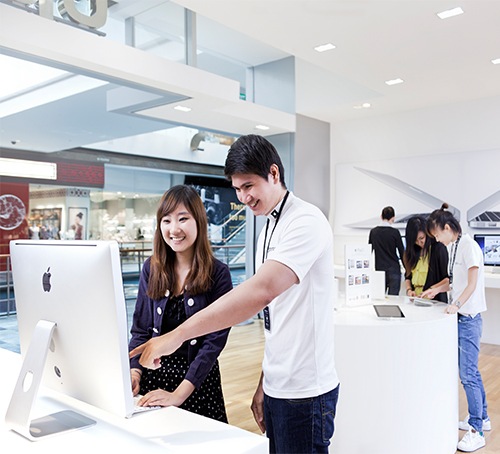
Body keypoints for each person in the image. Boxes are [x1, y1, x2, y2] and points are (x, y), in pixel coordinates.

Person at [130, 134, 340, 454]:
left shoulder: (306, 221)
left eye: (248, 186)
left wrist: (177, 335)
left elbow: (262, 292)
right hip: (278, 385)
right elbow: (277, 319)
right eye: (237, 189)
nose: (243, 198)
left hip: (306, 391)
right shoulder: (268, 227)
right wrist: (264, 383)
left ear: (273, 173)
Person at [128, 185, 233, 422]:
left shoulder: (218, 274)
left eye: (183, 219)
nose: (174, 229)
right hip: (153, 381)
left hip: (197, 384)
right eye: (166, 220)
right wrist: (135, 372)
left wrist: (178, 395)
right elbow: (141, 329)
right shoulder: (151, 268)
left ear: (199, 221)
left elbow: (213, 343)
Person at [421, 203, 490, 453]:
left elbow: (471, 283)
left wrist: (456, 305)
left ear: (448, 228)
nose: (436, 239)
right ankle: (483, 417)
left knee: (468, 375)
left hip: (469, 318)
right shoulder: (455, 247)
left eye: (437, 234)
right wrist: (434, 290)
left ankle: (476, 430)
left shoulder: (469, 246)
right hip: (462, 317)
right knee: (471, 372)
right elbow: (453, 282)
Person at [403, 215, 449, 302]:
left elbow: (447, 279)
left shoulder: (438, 249)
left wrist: (432, 289)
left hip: (435, 301)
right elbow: (408, 276)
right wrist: (409, 290)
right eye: (415, 240)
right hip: (416, 301)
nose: (419, 243)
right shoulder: (412, 252)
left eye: (421, 238)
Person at [368, 206, 405, 295]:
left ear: (381, 216)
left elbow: (369, 251)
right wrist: (407, 269)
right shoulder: (395, 232)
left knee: (379, 297)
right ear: (393, 218)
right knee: (393, 299)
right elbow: (402, 252)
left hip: (379, 270)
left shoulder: (373, 232)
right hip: (394, 270)